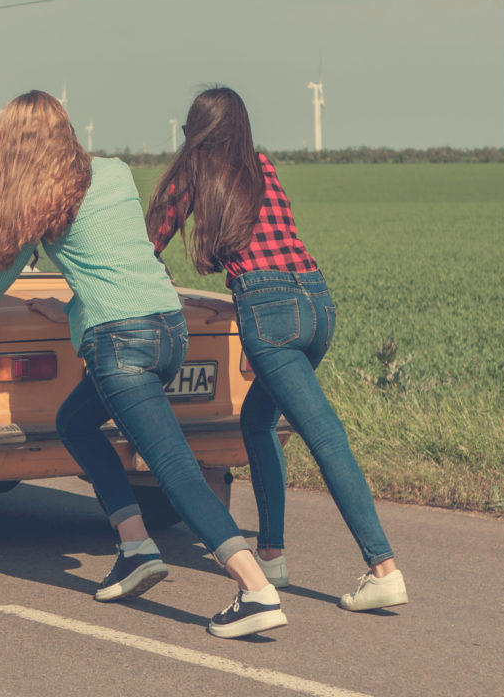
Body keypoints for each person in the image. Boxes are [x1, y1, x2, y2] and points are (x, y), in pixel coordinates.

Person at [0, 90, 287, 639]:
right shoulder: (114, 172)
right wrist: (70, 305)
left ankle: (254, 589)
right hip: (166, 327)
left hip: (119, 344)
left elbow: (0, 275)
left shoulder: (39, 202)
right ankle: (135, 546)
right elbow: (116, 257)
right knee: (75, 423)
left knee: (174, 468)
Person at [145, 86, 408, 613]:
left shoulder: (193, 170)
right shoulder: (260, 163)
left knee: (323, 434)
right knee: (258, 421)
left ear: (195, 130)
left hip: (268, 310)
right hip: (316, 303)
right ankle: (271, 553)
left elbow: (149, 241)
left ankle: (383, 568)